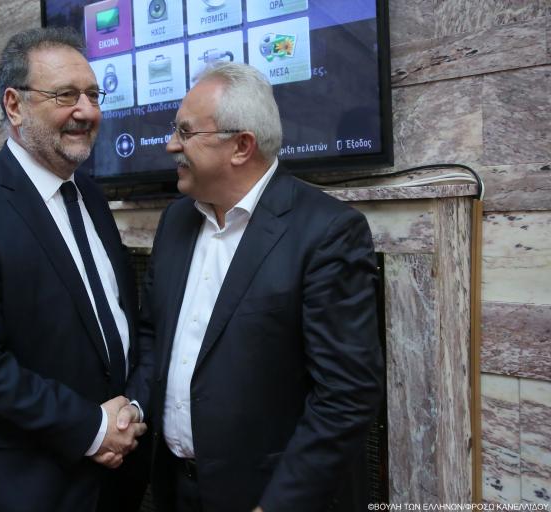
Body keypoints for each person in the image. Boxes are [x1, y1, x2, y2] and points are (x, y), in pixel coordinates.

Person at [0, 27, 151, 512]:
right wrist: (92, 428)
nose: (86, 111)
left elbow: (117, 324)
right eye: (65, 95)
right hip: (21, 483)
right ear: (14, 105)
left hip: (111, 477)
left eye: (92, 95)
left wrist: (127, 411)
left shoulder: (91, 196)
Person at [140, 62, 384, 512]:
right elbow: (153, 334)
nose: (171, 144)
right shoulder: (175, 220)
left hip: (269, 494)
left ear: (241, 146)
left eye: (185, 132)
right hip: (176, 488)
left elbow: (347, 395)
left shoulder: (327, 232)